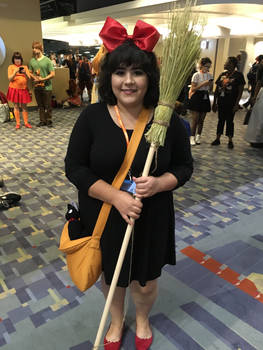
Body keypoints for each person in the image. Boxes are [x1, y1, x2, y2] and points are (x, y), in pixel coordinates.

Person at [65, 17, 193, 350]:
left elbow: (184, 167)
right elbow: (74, 168)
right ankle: (117, 319)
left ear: (149, 77)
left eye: (137, 72)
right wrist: (116, 197)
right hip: (105, 213)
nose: (128, 81)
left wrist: (162, 183)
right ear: (109, 77)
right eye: (120, 72)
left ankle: (142, 318)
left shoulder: (169, 121)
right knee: (112, 277)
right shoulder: (91, 117)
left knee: (146, 282)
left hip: (151, 216)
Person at [211, 56, 245, 149]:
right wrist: (214, 103)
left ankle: (230, 140)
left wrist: (237, 104)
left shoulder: (238, 75)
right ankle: (217, 138)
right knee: (220, 120)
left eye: (227, 62)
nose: (225, 63)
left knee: (230, 121)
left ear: (232, 65)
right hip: (221, 102)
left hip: (231, 103)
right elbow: (217, 90)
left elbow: (240, 90)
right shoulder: (223, 74)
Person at [28, 41, 55, 127]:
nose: (34, 50)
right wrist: (34, 77)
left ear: (40, 48)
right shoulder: (32, 61)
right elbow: (29, 72)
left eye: (36, 48)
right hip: (37, 87)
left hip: (47, 87)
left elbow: (52, 74)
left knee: (48, 105)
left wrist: (43, 79)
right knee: (40, 105)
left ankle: (49, 120)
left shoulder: (47, 60)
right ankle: (42, 120)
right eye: (33, 48)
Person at [188, 57, 213, 145]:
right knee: (195, 119)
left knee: (202, 119)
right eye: (206, 66)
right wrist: (203, 83)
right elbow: (193, 88)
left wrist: (210, 85)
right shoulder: (196, 75)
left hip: (205, 95)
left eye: (209, 67)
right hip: (197, 96)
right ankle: (191, 137)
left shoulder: (210, 75)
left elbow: (210, 89)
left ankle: (198, 136)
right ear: (201, 65)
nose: (208, 69)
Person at [6, 52, 32, 129]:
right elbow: (10, 79)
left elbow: (29, 78)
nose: (17, 60)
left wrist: (25, 73)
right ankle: (18, 123)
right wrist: (14, 72)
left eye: (19, 59)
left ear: (21, 60)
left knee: (24, 106)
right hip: (14, 89)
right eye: (16, 59)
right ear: (13, 60)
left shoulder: (25, 67)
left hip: (23, 89)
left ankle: (26, 123)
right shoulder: (11, 67)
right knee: (16, 106)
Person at [244, 55, 263, 147]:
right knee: (259, 117)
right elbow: (259, 82)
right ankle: (256, 139)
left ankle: (257, 139)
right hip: (261, 93)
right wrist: (254, 96)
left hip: (260, 92)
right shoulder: (260, 67)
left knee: (259, 117)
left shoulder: (260, 66)